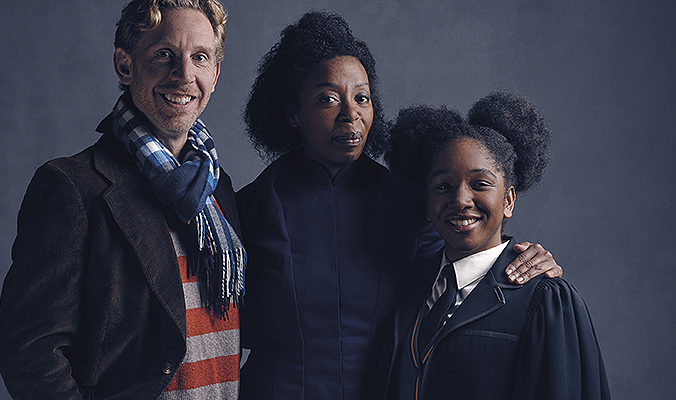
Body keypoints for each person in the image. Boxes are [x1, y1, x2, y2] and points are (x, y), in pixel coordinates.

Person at [236, 12, 562, 400]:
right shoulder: (250, 207)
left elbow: (463, 277)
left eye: (362, 98)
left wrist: (523, 262)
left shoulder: (409, 202)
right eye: (327, 99)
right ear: (293, 112)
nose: (350, 114)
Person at [0, 1, 246, 399]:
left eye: (200, 57)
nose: (184, 74)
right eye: (164, 54)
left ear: (214, 74)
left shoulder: (217, 187)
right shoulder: (71, 187)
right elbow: (30, 353)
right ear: (125, 66)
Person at [379, 92, 610, 399]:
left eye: (480, 184)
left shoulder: (544, 300)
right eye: (443, 186)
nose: (460, 200)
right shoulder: (412, 288)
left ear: (509, 200)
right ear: (427, 205)